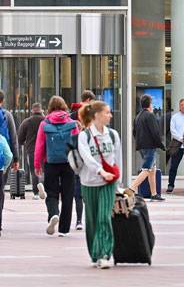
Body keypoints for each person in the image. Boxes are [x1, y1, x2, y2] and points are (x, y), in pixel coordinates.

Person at [75, 101, 121, 269]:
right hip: (89, 182)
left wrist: (118, 183)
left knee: (104, 217)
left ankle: (104, 254)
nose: (110, 115)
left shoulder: (113, 135)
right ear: (96, 116)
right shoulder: (84, 136)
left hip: (108, 183)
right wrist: (101, 171)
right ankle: (95, 254)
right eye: (107, 112)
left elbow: (118, 159)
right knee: (92, 219)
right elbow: (87, 158)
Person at [34, 96, 79, 237]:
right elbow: (77, 145)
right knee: (68, 195)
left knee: (51, 193)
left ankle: (54, 213)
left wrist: (37, 164)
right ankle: (64, 230)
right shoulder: (72, 123)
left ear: (50, 107)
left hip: (51, 162)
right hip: (68, 163)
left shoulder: (45, 123)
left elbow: (40, 145)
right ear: (64, 106)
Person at [128, 94, 166, 201]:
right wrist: (161, 145)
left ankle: (154, 194)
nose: (153, 105)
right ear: (149, 104)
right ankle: (131, 189)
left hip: (141, 146)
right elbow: (155, 132)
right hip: (150, 146)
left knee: (152, 170)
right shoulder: (150, 115)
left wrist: (140, 142)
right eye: (152, 103)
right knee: (146, 169)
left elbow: (134, 132)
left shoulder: (138, 116)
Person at [70, 90, 96, 231]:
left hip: (78, 161)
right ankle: (85, 219)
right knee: (87, 192)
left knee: (79, 193)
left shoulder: (71, 115)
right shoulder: (93, 117)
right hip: (87, 161)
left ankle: (79, 220)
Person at [17, 103, 46, 200]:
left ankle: (36, 192)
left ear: (32, 111)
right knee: (46, 169)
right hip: (45, 149)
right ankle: (45, 188)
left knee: (34, 171)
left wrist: (23, 142)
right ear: (41, 110)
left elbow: (20, 138)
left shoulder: (26, 122)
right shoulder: (46, 121)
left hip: (32, 150)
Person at [166, 98, 184, 194]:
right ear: (179, 106)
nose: (183, 106)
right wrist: (181, 138)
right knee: (173, 166)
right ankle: (170, 185)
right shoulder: (175, 117)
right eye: (182, 105)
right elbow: (173, 131)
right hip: (178, 145)